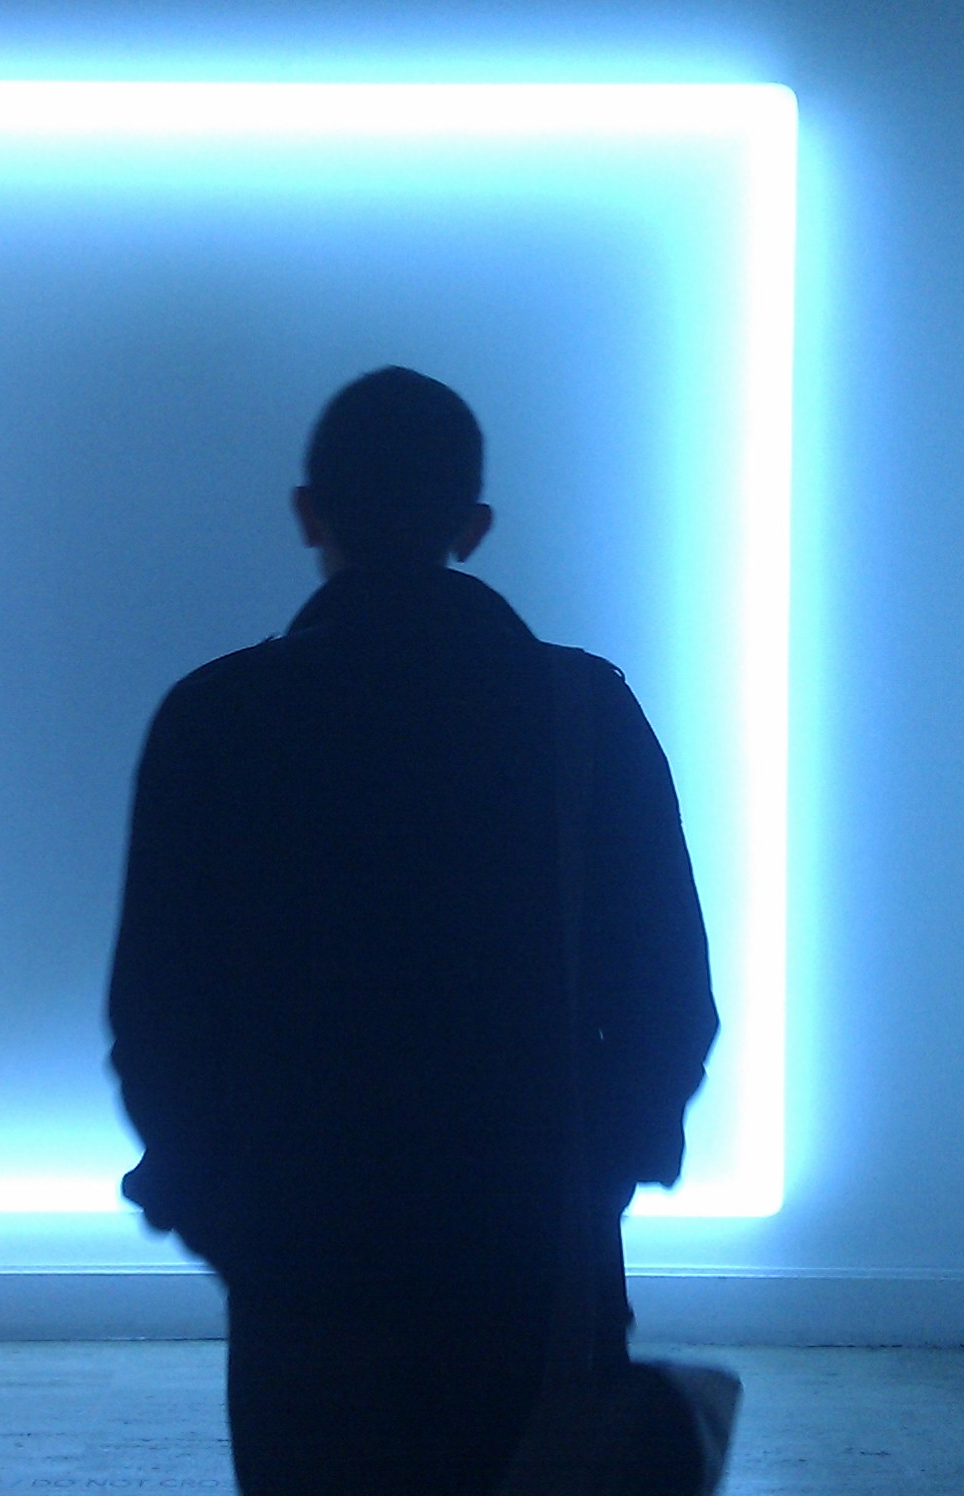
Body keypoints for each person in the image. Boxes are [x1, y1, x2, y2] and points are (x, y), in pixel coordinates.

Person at [107, 366, 720, 1493]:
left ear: (309, 510)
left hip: (304, 1260)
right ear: (472, 527)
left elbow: (157, 1011)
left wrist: (226, 1216)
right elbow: (668, 992)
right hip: (531, 1247)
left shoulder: (218, 717)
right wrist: (600, 1175)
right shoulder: (580, 714)